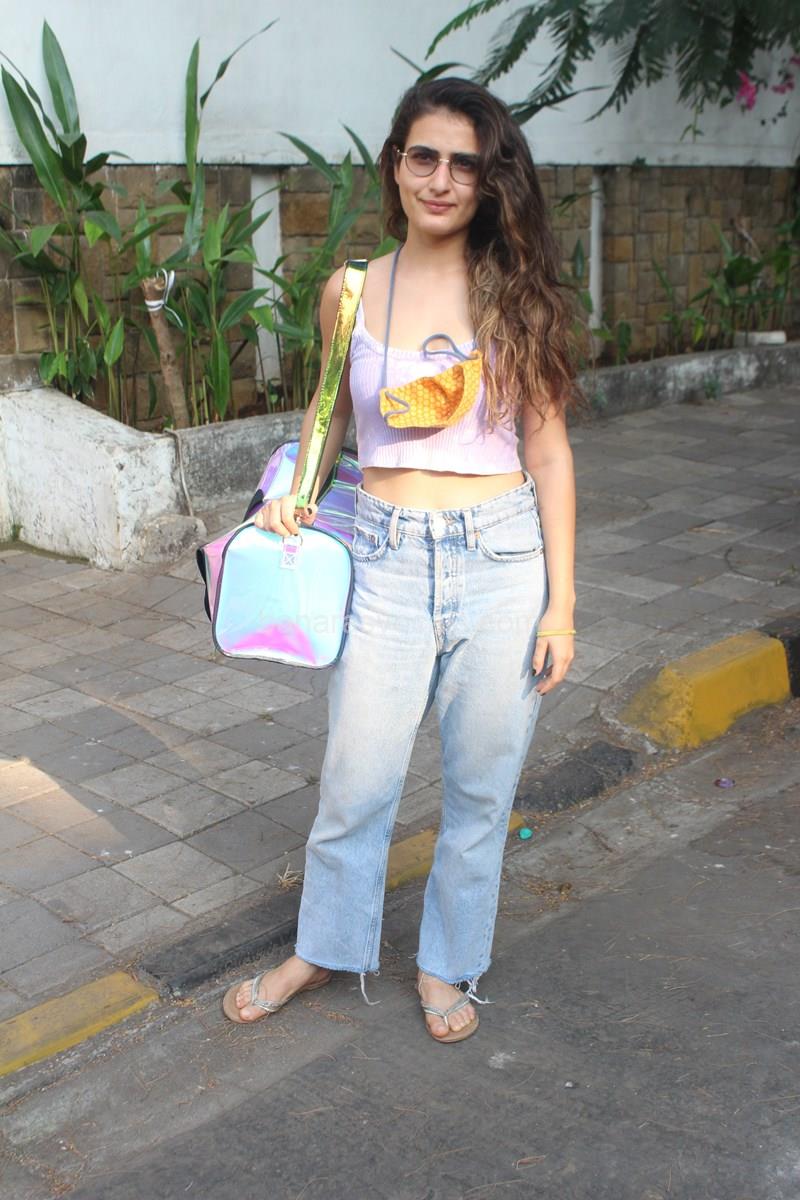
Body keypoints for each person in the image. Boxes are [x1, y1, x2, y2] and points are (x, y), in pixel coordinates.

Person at [222, 77, 579, 1043]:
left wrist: (562, 605)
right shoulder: (350, 290)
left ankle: (446, 962)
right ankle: (324, 947)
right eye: (425, 156)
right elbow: (331, 409)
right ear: (395, 165)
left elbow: (548, 452)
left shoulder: (516, 297)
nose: (442, 179)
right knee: (357, 781)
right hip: (381, 557)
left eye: (465, 163)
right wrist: (296, 494)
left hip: (503, 559)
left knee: (481, 790)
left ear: (489, 180)